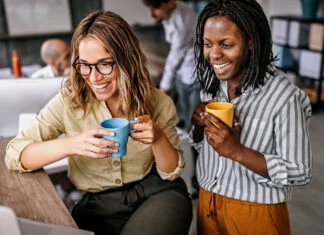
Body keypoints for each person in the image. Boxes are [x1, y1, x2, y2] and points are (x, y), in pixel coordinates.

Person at [5, 11, 192, 235]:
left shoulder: (157, 102)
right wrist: (72, 144)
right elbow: (15, 154)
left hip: (158, 193)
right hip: (97, 206)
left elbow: (170, 172)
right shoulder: (69, 101)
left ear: (126, 60)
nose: (94, 77)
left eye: (104, 64)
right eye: (85, 65)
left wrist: (159, 138)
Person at [191, 0, 313, 234]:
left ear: (251, 43)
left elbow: (300, 171)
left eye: (226, 44)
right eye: (208, 44)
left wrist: (237, 151)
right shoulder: (213, 84)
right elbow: (203, 146)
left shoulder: (285, 97)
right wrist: (198, 126)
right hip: (209, 202)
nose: (214, 55)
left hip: (256, 210)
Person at [142, 0, 201, 132]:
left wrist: (164, 87)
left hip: (196, 75)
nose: (151, 13)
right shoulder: (171, 12)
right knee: (185, 116)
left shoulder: (182, 23)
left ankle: (193, 148)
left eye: (156, 6)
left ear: (170, 3)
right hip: (182, 73)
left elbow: (176, 56)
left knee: (194, 120)